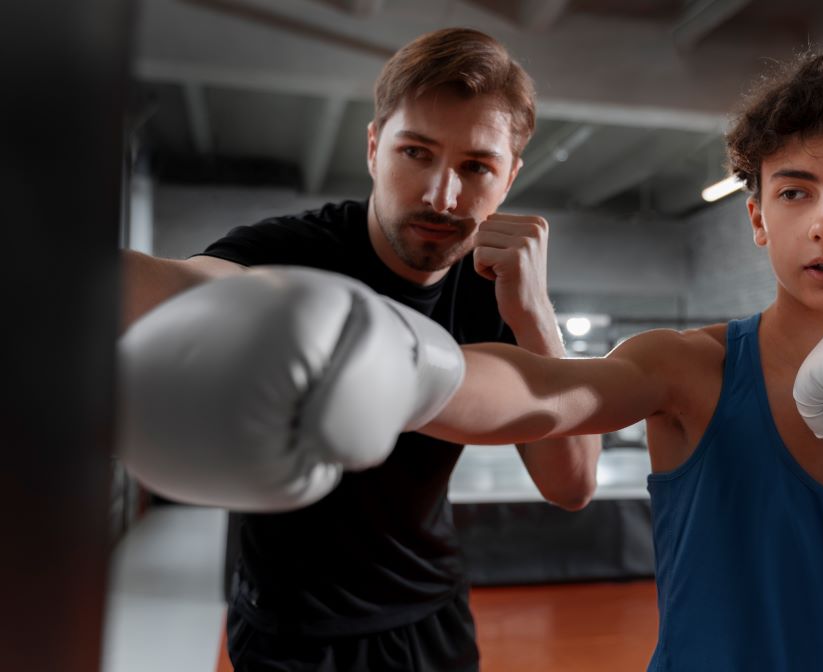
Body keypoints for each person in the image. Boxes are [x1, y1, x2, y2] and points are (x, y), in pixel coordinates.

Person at [419, 48, 823, 671]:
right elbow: (549, 391)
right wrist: (407, 372)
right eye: (796, 191)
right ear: (759, 217)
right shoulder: (686, 368)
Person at [119, 27, 601, 672]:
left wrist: (536, 316)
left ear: (510, 176)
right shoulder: (294, 250)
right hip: (291, 630)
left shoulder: (500, 287)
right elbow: (188, 285)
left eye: (476, 166)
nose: (441, 195)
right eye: (416, 153)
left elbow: (571, 485)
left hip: (435, 613)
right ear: (375, 147)